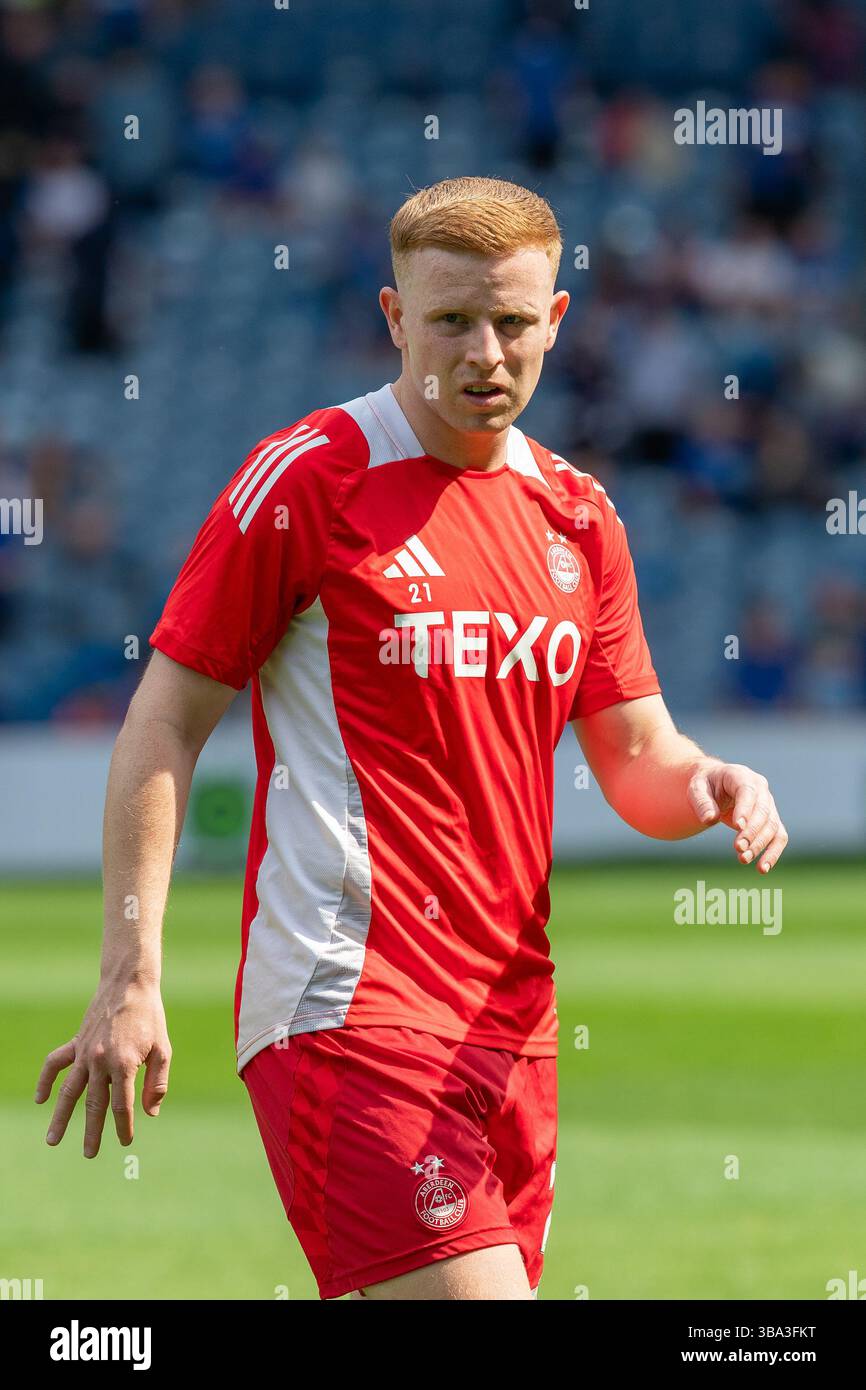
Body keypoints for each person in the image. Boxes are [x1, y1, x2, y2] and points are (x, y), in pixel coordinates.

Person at [35, 176, 789, 1301]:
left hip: (510, 1026)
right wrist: (129, 973)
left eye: (511, 321)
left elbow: (635, 754)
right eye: (449, 321)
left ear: (557, 321)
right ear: (394, 319)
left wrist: (710, 783)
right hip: (345, 1004)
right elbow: (164, 720)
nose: (483, 351)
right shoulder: (308, 479)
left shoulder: (578, 514)